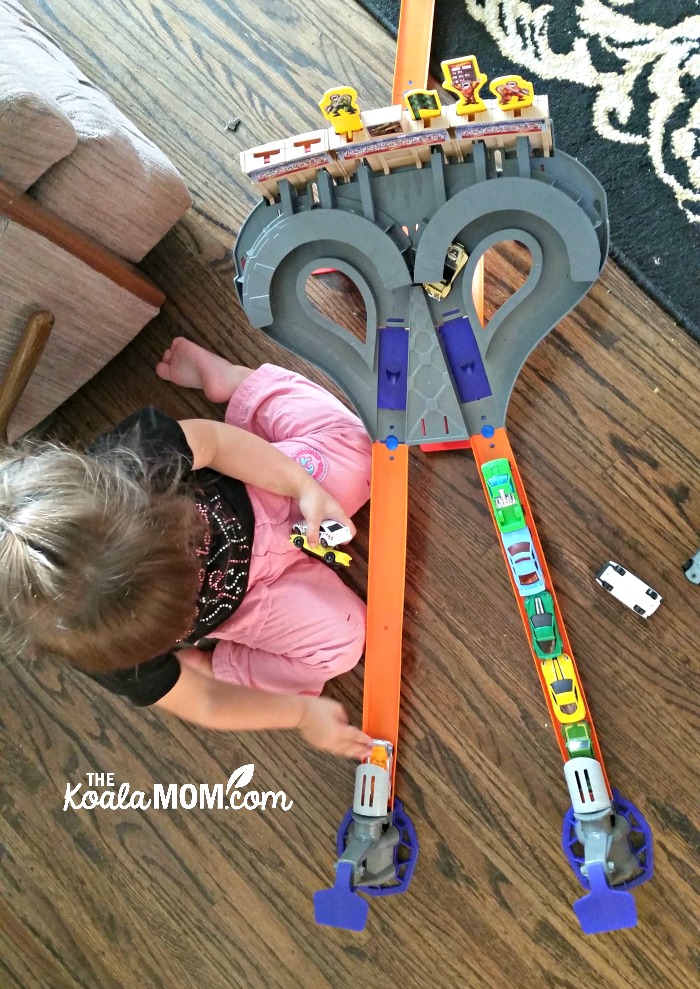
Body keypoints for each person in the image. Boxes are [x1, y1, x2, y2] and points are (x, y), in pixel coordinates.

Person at [0, 339, 374, 759]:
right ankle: (215, 665)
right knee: (345, 642)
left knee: (362, 451)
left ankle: (238, 386)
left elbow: (214, 442)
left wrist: (302, 488)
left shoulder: (136, 460)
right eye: (175, 628)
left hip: (257, 491)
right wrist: (302, 714)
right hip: (242, 603)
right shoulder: (99, 644)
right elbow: (206, 702)